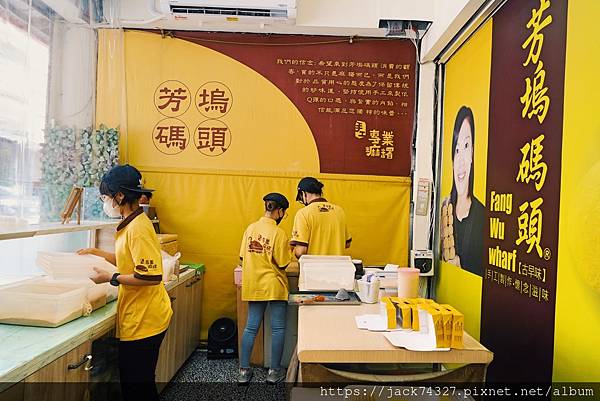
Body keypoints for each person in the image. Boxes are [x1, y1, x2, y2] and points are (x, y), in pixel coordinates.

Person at [78, 164, 172, 401]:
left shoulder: (138, 228)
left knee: (137, 387)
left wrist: (109, 278)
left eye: (105, 197)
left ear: (119, 195)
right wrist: (97, 252)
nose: (105, 202)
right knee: (137, 383)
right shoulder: (132, 222)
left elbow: (149, 276)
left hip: (145, 320)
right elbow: (128, 261)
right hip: (143, 315)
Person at [238, 193, 291, 385]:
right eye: (284, 213)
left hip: (255, 284)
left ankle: (244, 371)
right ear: (280, 211)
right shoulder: (279, 233)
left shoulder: (250, 228)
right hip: (274, 285)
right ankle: (273, 372)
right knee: (278, 329)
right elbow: (283, 263)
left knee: (251, 328)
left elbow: (243, 257)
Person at [441, 106, 485, 276]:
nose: (460, 162)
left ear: (473, 151)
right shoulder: (444, 210)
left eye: (466, 146)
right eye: (457, 149)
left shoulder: (483, 217)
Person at [290, 177, 351, 258]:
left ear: (304, 193)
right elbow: (347, 244)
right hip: (337, 267)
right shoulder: (339, 211)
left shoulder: (303, 213)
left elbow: (300, 251)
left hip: (313, 268)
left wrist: (292, 250)